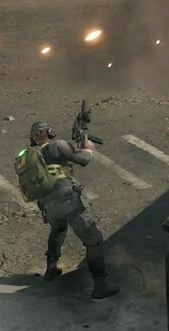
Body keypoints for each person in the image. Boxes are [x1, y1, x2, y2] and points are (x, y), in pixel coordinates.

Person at [21, 121, 119, 299]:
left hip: (47, 206)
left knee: (58, 229)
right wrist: (88, 148)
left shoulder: (29, 155)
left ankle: (51, 268)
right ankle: (100, 284)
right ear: (50, 132)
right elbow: (83, 159)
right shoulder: (57, 146)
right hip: (68, 201)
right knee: (93, 239)